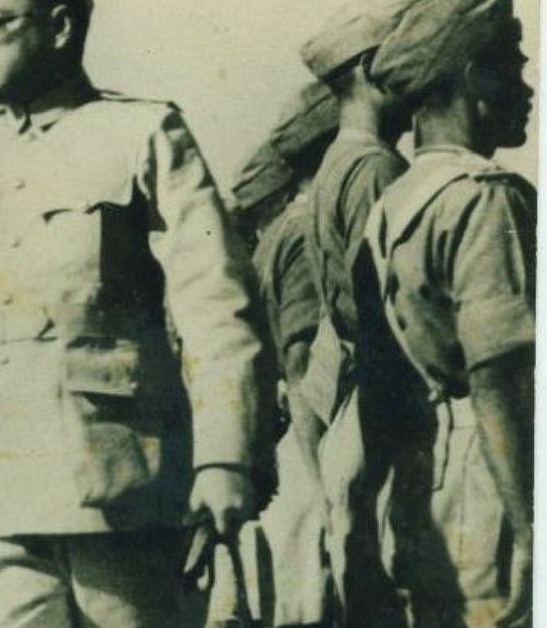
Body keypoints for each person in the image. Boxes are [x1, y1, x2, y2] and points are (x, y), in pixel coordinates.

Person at [0, 0, 266, 624]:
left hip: (118, 490)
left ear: (59, 26)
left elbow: (214, 305)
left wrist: (223, 459)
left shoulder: (143, 134)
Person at [364, 1, 534, 625]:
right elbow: (500, 373)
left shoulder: (399, 198)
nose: (528, 88)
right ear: (469, 76)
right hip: (497, 479)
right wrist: (531, 523)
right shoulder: (486, 198)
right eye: (511, 70)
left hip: (428, 481)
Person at [298, 2, 417, 624]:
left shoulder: (336, 163)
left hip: (348, 405)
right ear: (373, 68)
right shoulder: (375, 167)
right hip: (380, 406)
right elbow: (384, 320)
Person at [205, 82, 335, 628]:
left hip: (279, 446)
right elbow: (302, 359)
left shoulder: (272, 239)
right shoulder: (302, 232)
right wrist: (326, 480)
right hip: (304, 447)